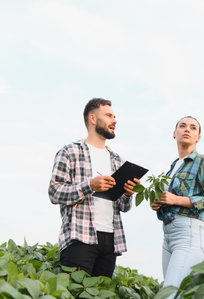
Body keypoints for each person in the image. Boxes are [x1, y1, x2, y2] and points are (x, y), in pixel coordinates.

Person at [48, 98, 139, 278]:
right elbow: (54, 192)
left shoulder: (117, 160)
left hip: (110, 240)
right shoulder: (70, 152)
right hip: (79, 237)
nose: (114, 120)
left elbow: (124, 207)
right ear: (92, 118)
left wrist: (128, 194)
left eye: (114, 116)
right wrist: (90, 185)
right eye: (108, 115)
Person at [152, 116, 204, 292]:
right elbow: (170, 203)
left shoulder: (203, 161)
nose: (187, 130)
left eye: (193, 128)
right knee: (171, 293)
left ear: (198, 137)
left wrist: (176, 200)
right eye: (182, 126)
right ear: (174, 133)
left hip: (188, 233)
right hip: (168, 235)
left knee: (170, 293)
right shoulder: (173, 167)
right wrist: (159, 204)